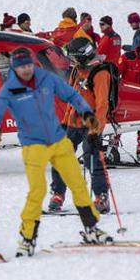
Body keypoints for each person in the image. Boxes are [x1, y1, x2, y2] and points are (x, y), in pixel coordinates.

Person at [0, 47, 111, 257]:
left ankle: (92, 229)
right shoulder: (10, 89)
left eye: (28, 65)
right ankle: (27, 238)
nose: (26, 70)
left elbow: (71, 94)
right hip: (33, 145)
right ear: (15, 69)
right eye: (21, 67)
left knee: (78, 184)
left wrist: (87, 112)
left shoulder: (46, 78)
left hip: (57, 139)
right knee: (38, 191)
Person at [48, 37, 112, 214]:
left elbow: (102, 105)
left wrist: (95, 130)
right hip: (73, 123)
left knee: (92, 160)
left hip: (90, 124)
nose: (73, 61)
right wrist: (64, 121)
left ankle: (101, 197)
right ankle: (58, 194)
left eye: (75, 58)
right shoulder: (77, 70)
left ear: (84, 56)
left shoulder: (100, 73)